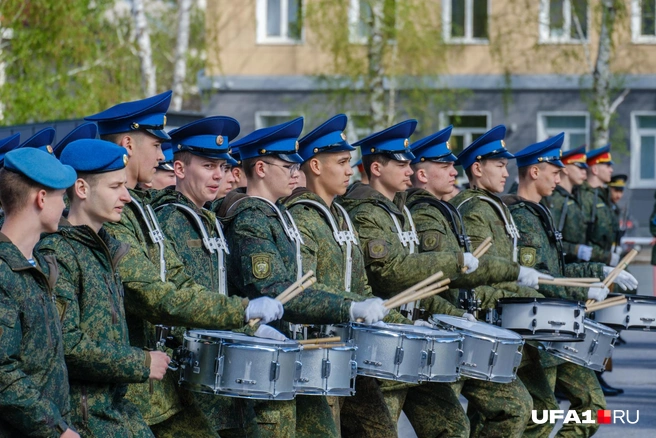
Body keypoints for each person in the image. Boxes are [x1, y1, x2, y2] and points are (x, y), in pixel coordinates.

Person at [85, 90, 284, 437]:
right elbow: (153, 294)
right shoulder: (116, 215)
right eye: (156, 146)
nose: (163, 154)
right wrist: (241, 312)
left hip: (159, 384)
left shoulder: (142, 208)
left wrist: (248, 321)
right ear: (128, 144)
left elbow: (180, 281)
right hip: (132, 388)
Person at [220, 117, 388, 438]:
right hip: (266, 361)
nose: (297, 173)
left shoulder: (279, 216)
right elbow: (275, 289)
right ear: (261, 168)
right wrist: (350, 307)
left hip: (295, 354)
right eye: (288, 166)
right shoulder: (251, 219)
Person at [338, 120, 484, 437]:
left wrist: (456, 317)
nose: (409, 168)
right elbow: (392, 274)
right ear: (376, 167)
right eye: (401, 162)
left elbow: (417, 289)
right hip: (382, 346)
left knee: (453, 426)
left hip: (413, 342)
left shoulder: (399, 209)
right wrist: (455, 263)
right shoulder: (364, 210)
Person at [283, 114, 410, 438]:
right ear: (315, 166)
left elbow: (362, 286)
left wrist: (399, 320)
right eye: (340, 162)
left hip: (352, 350)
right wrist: (353, 307)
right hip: (317, 352)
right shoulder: (300, 216)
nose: (349, 170)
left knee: (380, 430)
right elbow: (305, 288)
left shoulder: (340, 214)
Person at [406, 125, 537, 437]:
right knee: (454, 427)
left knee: (512, 409)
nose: (454, 172)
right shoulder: (437, 212)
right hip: (443, 328)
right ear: (422, 174)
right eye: (444, 166)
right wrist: (514, 281)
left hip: (461, 326)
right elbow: (443, 277)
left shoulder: (445, 210)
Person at [37, 139, 170, 437]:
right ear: (82, 189)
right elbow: (67, 346)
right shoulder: (58, 254)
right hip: (83, 419)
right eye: (114, 187)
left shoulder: (105, 249)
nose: (126, 196)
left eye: (124, 186)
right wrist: (141, 362)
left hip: (112, 411)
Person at [151, 116, 261, 437]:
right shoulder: (170, 217)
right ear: (180, 170)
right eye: (209, 166)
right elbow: (178, 296)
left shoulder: (209, 218)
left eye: (223, 167)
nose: (218, 175)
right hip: (187, 368)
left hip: (218, 361)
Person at [450, 125, 557, 438]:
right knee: (501, 414)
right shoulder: (472, 210)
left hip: (507, 322)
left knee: (539, 409)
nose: (505, 171)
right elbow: (478, 273)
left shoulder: (495, 206)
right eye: (498, 165)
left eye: (506, 165)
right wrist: (520, 294)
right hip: (485, 325)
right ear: (477, 168)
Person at [502, 134, 614, 437]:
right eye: (554, 172)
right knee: (539, 418)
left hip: (560, 326)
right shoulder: (520, 216)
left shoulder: (539, 211)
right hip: (536, 332)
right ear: (535, 172)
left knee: (594, 409)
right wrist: (581, 289)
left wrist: (599, 271)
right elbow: (538, 277)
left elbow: (558, 270)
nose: (559, 177)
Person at [0, 147, 80, 437]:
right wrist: (56, 429)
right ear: (41, 198)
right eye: (62, 197)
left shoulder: (38, 265)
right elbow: (2, 373)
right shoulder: (3, 271)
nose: (65, 207)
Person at [543, 145, 592, 263]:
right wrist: (575, 249)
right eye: (580, 168)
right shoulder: (555, 199)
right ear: (564, 168)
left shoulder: (575, 197)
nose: (584, 173)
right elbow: (551, 239)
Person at [579, 145, 621, 266]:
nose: (611, 170)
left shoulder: (604, 196)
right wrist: (605, 256)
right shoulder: (585, 196)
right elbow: (583, 237)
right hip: (591, 264)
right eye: (607, 166)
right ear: (595, 170)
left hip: (605, 260)